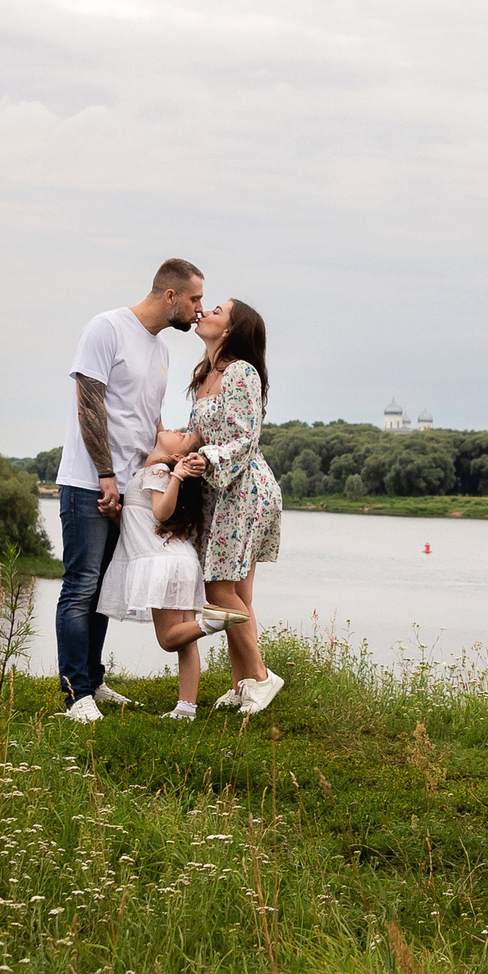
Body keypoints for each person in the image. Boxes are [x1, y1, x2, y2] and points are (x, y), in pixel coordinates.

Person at [55, 257, 206, 722]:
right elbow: (88, 404)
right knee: (81, 586)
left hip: (131, 491)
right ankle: (75, 694)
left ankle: (93, 683)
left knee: (101, 588)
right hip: (89, 482)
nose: (199, 310)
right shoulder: (107, 328)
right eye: (195, 299)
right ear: (170, 296)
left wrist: (171, 458)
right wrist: (105, 474)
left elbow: (150, 422)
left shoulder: (161, 349)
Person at [94, 429, 248, 719]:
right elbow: (142, 523)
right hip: (181, 561)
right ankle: (186, 708)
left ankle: (213, 621)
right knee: (184, 642)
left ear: (179, 455)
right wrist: (117, 515)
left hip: (163, 564)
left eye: (184, 435)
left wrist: (176, 474)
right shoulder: (154, 471)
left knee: (168, 639)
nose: (178, 430)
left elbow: (161, 513)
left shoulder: (158, 471)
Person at [188, 298, 283, 714]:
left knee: (218, 588)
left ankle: (262, 677)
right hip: (218, 491)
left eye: (216, 311)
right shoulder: (205, 376)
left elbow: (244, 437)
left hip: (242, 489)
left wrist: (207, 459)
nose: (205, 311)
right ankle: (242, 683)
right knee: (237, 592)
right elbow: (196, 435)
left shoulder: (240, 372)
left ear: (229, 330)